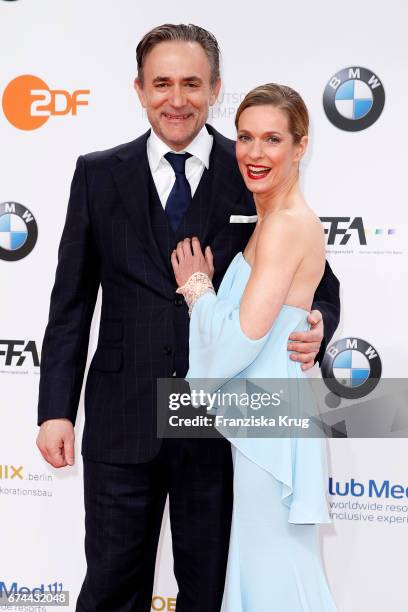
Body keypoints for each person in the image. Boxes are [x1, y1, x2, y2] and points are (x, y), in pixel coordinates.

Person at [36, 24, 340, 612]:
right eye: (162, 83)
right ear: (140, 89)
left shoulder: (251, 167)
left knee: (211, 591)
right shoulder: (98, 173)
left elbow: (318, 280)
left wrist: (318, 322)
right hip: (122, 419)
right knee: (110, 590)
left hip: (219, 429)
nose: (177, 99)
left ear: (215, 88)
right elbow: (69, 303)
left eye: (192, 83)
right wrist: (55, 411)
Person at [171, 83, 337, 611]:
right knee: (270, 573)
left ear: (300, 146)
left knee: (277, 579)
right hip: (262, 420)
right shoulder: (274, 220)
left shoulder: (286, 225)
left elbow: (241, 340)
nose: (255, 153)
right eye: (245, 137)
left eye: (272, 139)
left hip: (270, 426)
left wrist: (198, 290)